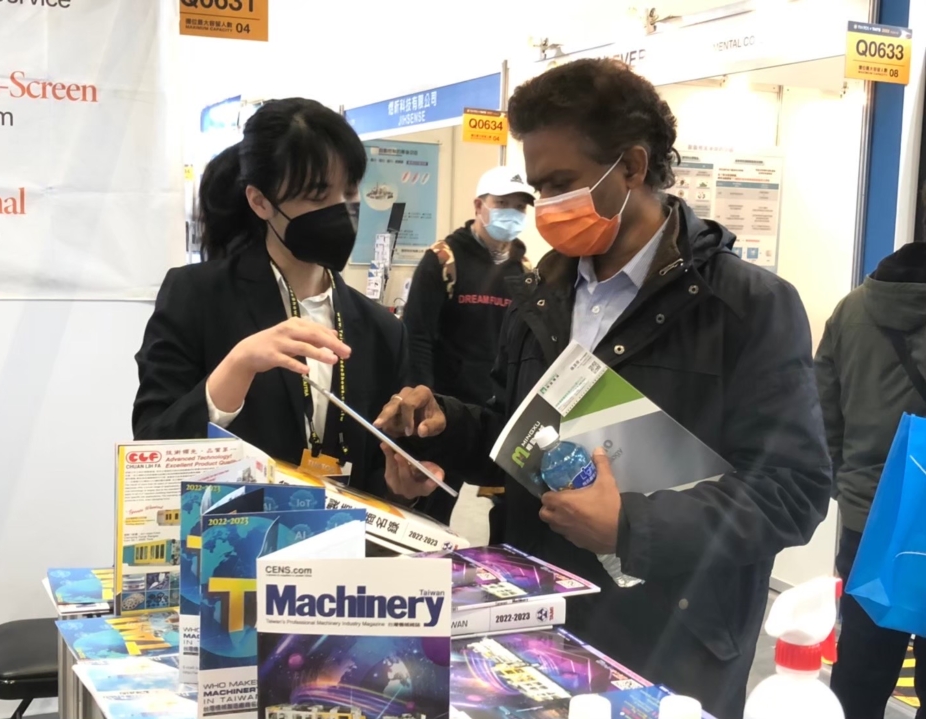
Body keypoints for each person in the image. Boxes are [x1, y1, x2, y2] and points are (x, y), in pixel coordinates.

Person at [374, 58, 831, 719]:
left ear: (633, 167)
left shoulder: (747, 306)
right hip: (538, 618)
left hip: (674, 642)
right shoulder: (538, 293)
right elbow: (518, 431)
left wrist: (631, 525)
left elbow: (792, 488)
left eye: (561, 184)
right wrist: (444, 427)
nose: (548, 209)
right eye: (539, 187)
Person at [133, 98, 412, 498]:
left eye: (349, 192)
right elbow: (151, 446)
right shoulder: (196, 296)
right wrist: (237, 368)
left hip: (345, 553)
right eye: (317, 196)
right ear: (260, 201)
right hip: (229, 546)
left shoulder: (382, 330)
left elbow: (384, 474)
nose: (341, 211)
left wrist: (406, 481)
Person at [815, 240, 926, 719]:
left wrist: (853, 485)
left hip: (870, 520)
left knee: (861, 666)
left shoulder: (851, 309)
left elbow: (822, 416)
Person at [402, 167, 533, 531]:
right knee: (429, 514)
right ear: (479, 205)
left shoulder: (524, 269)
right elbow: (418, 337)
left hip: (497, 418)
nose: (512, 213)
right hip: (444, 414)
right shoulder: (444, 260)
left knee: (508, 518)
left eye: (520, 207)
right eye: (503, 204)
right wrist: (421, 399)